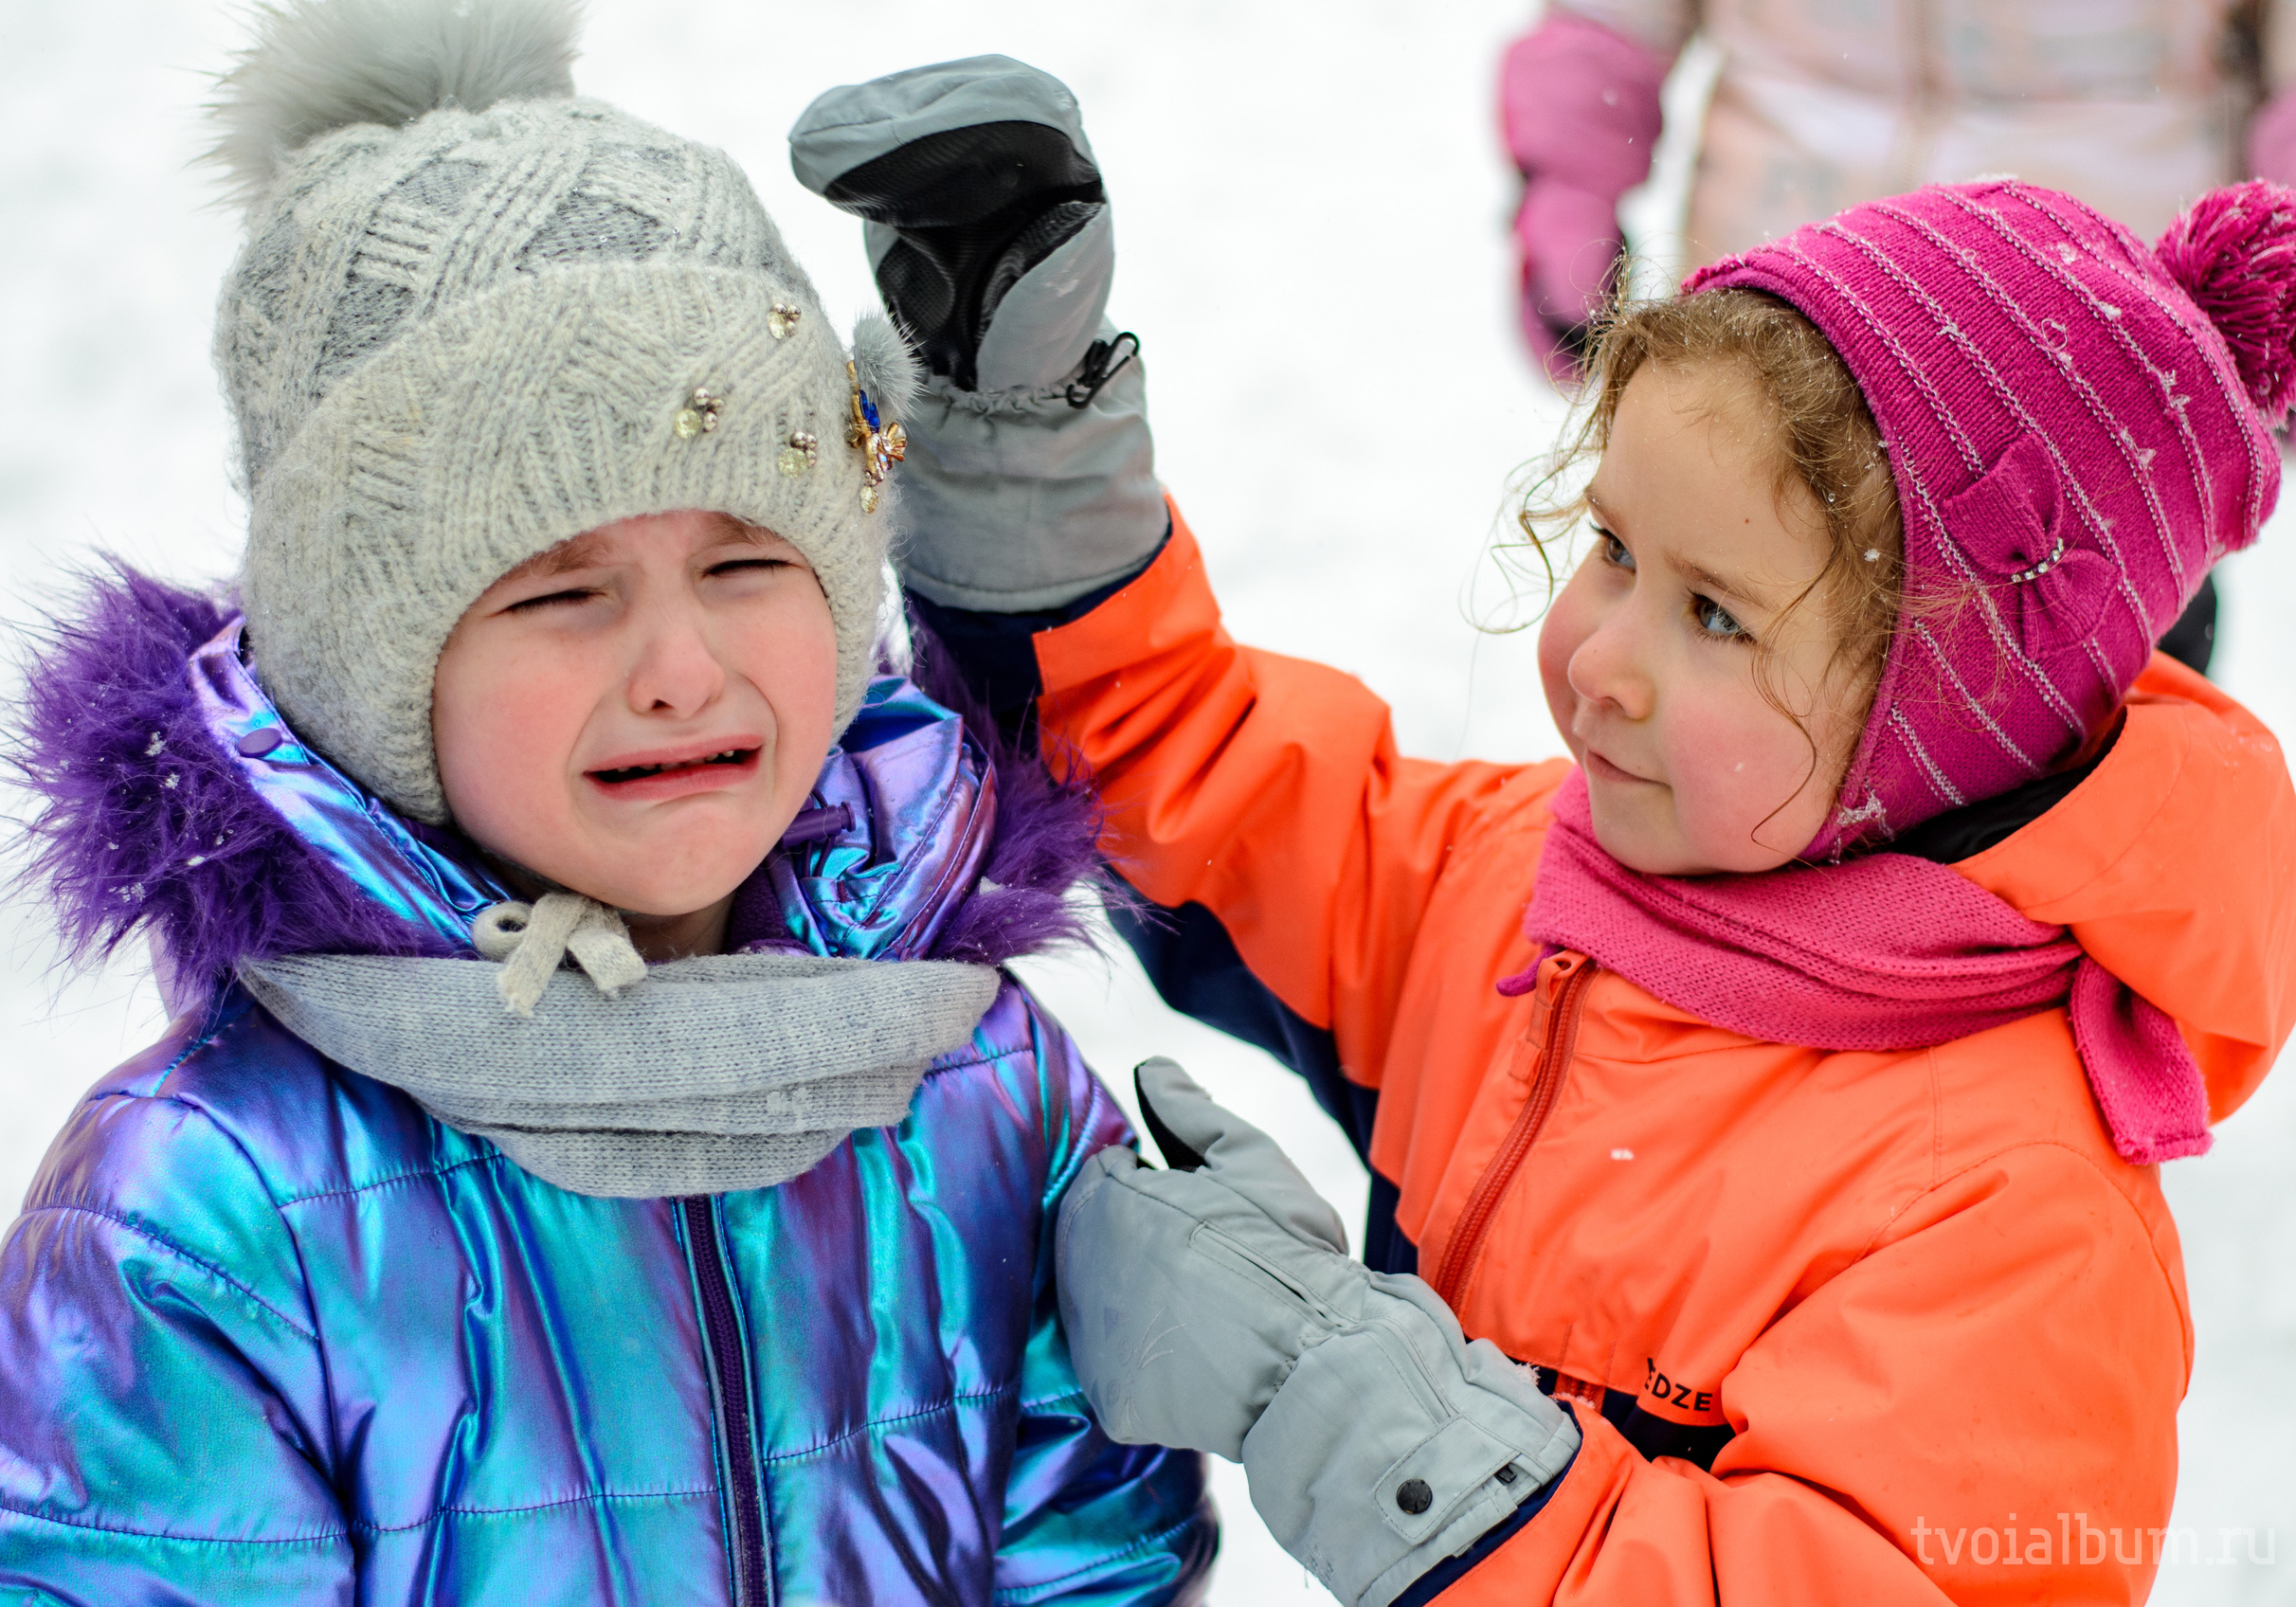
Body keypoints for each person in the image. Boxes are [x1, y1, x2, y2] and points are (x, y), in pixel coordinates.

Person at [791, 59, 2296, 1606]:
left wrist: (1342, 1395)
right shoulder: (1509, 884)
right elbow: (1193, 776)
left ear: (1947, 719)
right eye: (1615, 550)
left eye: (1718, 615)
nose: (1602, 660)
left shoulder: (2007, 1214)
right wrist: (1024, 441)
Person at [0, 7, 1215, 1603]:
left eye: (745, 562)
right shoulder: (215, 1204)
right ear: (372, 667)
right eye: (561, 593)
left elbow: (1098, 1557)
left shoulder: (978, 1083)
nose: (681, 670)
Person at [1495, 0, 2296, 672]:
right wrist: (1568, 186)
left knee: (2096, 764)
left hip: (2089, 376)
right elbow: (1610, 21)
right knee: (1721, 713)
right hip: (1778, 334)